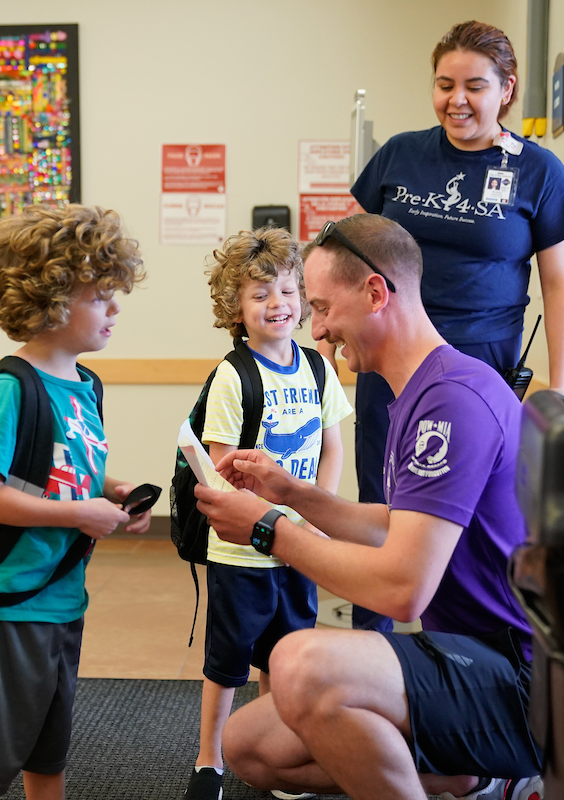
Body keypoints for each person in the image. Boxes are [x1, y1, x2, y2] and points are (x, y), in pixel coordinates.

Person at [194, 214, 542, 800]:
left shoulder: (449, 403)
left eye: (324, 308)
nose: (320, 330)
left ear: (376, 292)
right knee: (249, 741)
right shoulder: (425, 389)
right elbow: (396, 525)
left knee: (301, 663)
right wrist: (290, 492)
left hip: (517, 678)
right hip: (463, 655)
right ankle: (477, 780)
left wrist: (269, 531)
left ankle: (504, 766)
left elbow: (403, 589)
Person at [331, 20, 564, 633]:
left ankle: (471, 660)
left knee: (463, 514)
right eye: (445, 84)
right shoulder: (399, 154)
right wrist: (341, 337)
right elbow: (350, 256)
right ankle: (374, 648)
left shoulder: (539, 171)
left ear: (507, 89)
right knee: (382, 505)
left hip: (481, 370)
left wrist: (560, 385)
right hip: (389, 363)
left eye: (475, 85)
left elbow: (560, 287)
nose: (457, 99)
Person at [0, 204, 153, 800]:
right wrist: (80, 514)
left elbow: (67, 471)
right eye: (100, 295)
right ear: (51, 299)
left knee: (48, 752)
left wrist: (112, 491)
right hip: (12, 604)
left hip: (62, 600)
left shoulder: (84, 384)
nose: (115, 308)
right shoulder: (9, 388)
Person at [185, 227, 352, 800]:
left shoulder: (317, 367)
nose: (276, 304)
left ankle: (272, 746)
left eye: (285, 291)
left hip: (297, 541)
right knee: (228, 657)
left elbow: (332, 446)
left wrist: (310, 513)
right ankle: (211, 759)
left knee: (285, 652)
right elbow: (221, 464)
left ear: (303, 298)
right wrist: (264, 519)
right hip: (241, 548)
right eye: (259, 296)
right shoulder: (234, 374)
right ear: (235, 308)